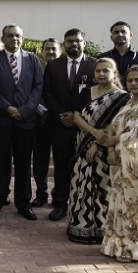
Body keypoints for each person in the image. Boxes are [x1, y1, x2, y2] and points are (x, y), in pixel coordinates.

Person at [0, 24, 44, 220]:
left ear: (22, 38)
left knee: (24, 163)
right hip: (3, 120)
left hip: (25, 120)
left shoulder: (32, 59)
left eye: (18, 36)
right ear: (3, 38)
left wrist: (25, 110)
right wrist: (7, 108)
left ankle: (23, 203)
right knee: (1, 163)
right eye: (10, 36)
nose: (14, 39)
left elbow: (37, 87)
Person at [66, 58, 129, 243]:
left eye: (105, 71)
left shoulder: (122, 97)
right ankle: (80, 225)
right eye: (98, 71)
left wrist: (96, 144)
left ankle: (102, 228)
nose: (101, 74)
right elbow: (76, 115)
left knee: (103, 185)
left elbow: (116, 123)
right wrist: (92, 133)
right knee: (80, 182)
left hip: (105, 147)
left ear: (114, 73)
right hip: (82, 142)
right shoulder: (86, 92)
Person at [102, 66, 138, 262]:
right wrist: (110, 149)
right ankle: (116, 245)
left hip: (137, 164)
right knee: (118, 201)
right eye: (130, 81)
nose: (134, 84)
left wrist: (115, 141)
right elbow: (112, 127)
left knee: (136, 205)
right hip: (119, 163)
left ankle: (135, 248)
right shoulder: (127, 104)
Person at [43, 28, 96, 222]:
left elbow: (97, 94)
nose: (74, 44)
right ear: (64, 44)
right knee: (61, 167)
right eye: (70, 41)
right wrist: (61, 114)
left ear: (84, 42)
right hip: (60, 124)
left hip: (85, 127)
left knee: (83, 167)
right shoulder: (53, 66)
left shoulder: (94, 66)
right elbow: (47, 93)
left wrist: (77, 115)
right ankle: (60, 204)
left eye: (78, 41)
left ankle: (81, 205)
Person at [32, 38, 61, 207]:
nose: (50, 52)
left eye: (54, 49)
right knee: (40, 161)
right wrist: (42, 110)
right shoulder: (36, 69)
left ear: (59, 51)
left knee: (61, 160)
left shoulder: (65, 68)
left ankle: (59, 195)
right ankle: (41, 194)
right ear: (42, 52)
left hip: (60, 122)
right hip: (39, 121)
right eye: (47, 49)